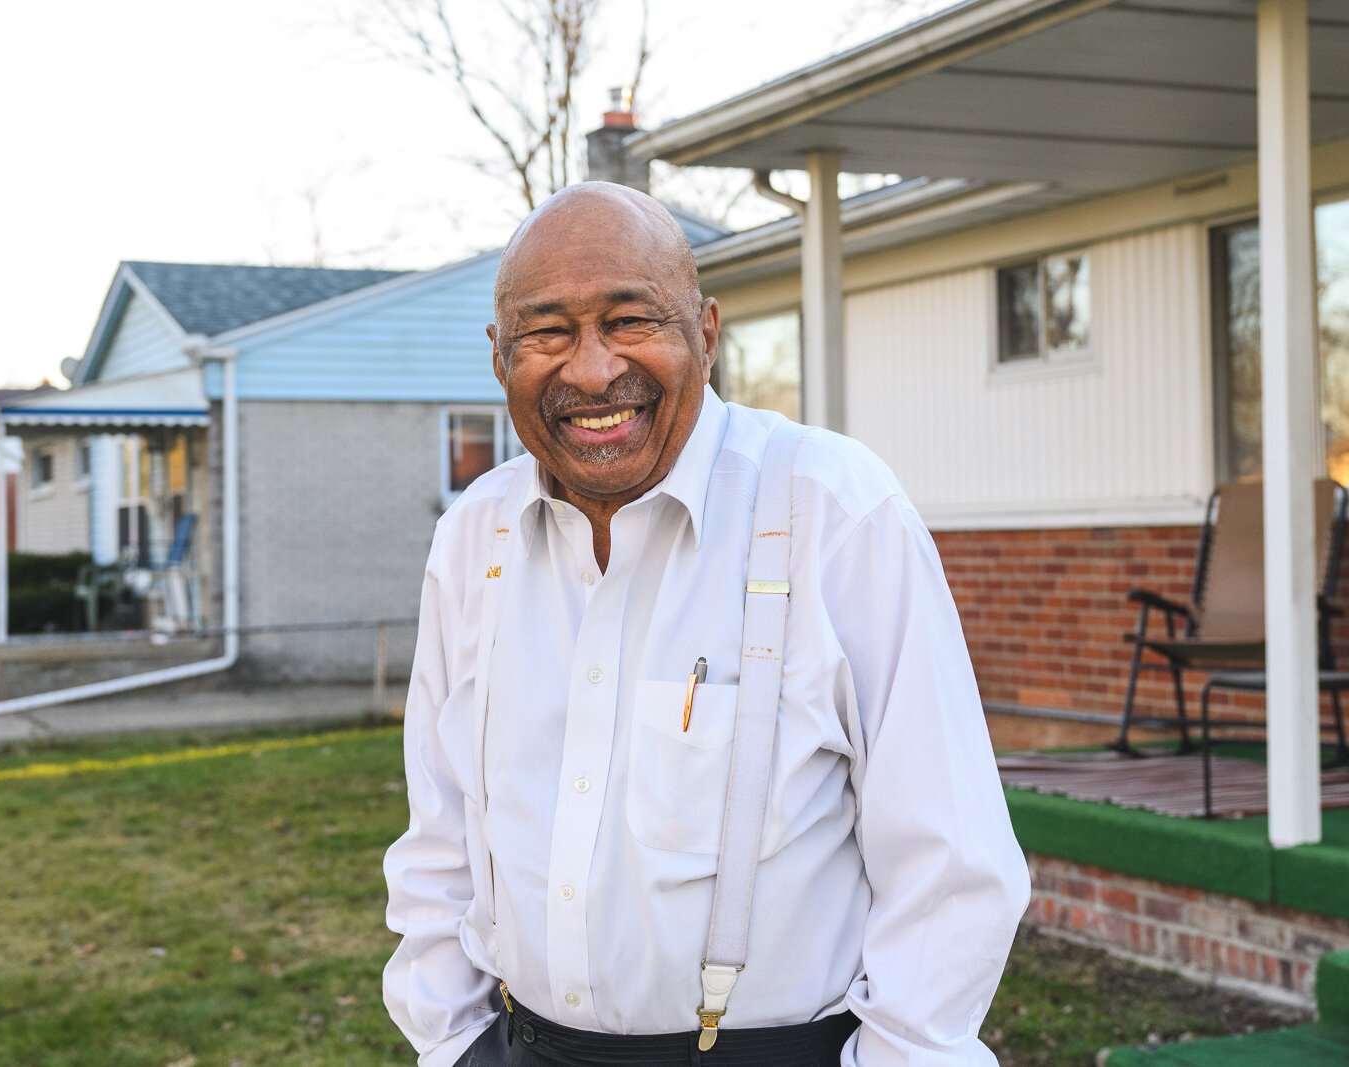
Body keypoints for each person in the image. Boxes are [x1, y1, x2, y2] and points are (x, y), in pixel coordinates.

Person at [383, 181, 1030, 1067]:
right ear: (500, 357)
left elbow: (950, 862)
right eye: (547, 332)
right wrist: (451, 1045)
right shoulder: (473, 538)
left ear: (707, 333)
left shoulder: (828, 508)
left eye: (630, 320)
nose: (592, 369)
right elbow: (441, 835)